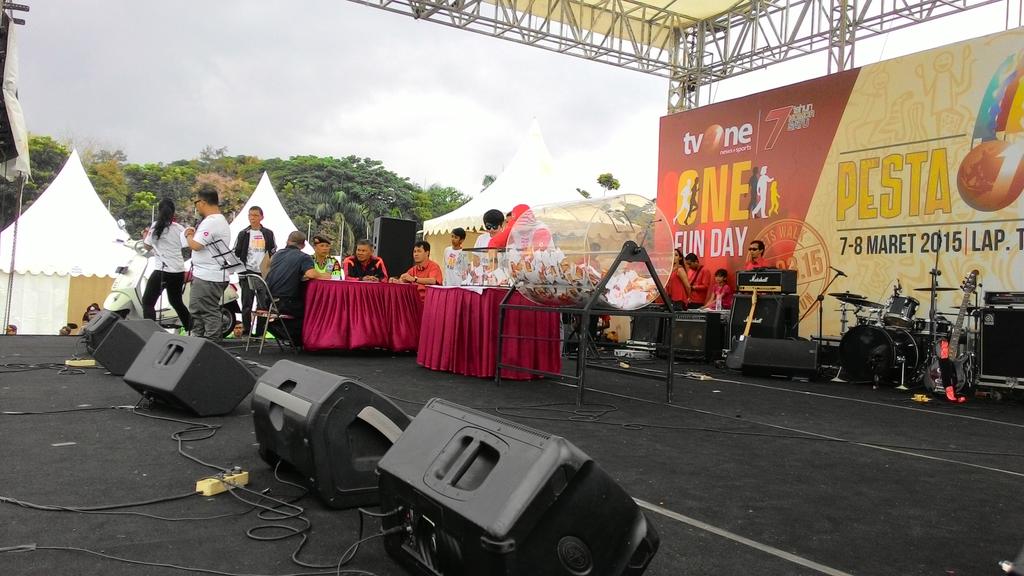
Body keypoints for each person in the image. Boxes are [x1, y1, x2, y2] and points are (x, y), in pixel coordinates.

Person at [184, 186, 233, 339]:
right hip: (206, 274)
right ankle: (198, 340)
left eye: (196, 202)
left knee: (207, 311)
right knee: (198, 311)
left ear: (203, 202)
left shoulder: (212, 222)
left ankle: (211, 343)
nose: (196, 206)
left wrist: (188, 235)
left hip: (209, 276)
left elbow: (196, 245)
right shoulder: (217, 221)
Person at [141, 198, 192, 331]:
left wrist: (145, 236)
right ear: (173, 212)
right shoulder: (179, 228)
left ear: (159, 211)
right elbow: (185, 245)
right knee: (176, 302)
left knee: (148, 302)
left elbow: (147, 246)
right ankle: (192, 328)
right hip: (178, 271)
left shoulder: (155, 226)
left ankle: (150, 332)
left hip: (161, 271)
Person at [264, 231, 318, 347]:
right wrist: (326, 275)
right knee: (313, 310)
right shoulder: (304, 257)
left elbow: (268, 268)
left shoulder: (276, 254)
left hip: (268, 301)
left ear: (288, 241)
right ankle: (300, 339)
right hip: (286, 302)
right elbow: (311, 274)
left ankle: (280, 329)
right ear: (303, 245)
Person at [233, 206, 277, 336]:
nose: (252, 218)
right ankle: (247, 331)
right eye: (250, 215)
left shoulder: (268, 233)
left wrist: (269, 265)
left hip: (263, 272)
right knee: (247, 303)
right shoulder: (243, 233)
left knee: (262, 304)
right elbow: (236, 251)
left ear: (261, 217)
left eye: (255, 215)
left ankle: (260, 332)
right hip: (247, 271)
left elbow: (273, 250)